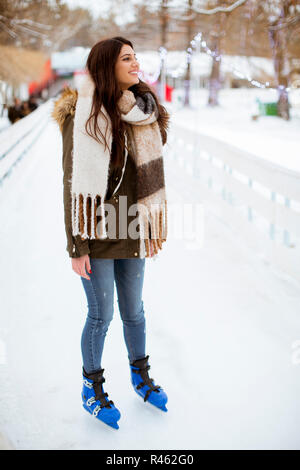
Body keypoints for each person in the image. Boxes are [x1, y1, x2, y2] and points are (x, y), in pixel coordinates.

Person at [52, 37, 170, 430]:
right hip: (97, 233)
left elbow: (153, 157)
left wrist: (147, 105)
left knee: (133, 312)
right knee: (100, 315)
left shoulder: (142, 111)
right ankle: (92, 387)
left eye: (136, 56)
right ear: (107, 65)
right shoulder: (83, 114)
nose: (136, 63)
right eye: (126, 58)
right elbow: (73, 183)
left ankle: (140, 375)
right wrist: (76, 246)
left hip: (133, 229)